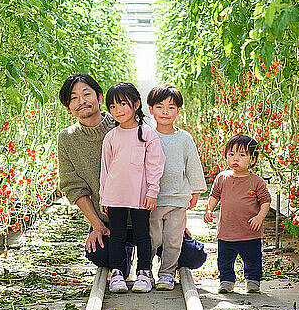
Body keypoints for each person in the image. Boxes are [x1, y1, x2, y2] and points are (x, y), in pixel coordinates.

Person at [57, 74, 206, 282]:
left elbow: (159, 166)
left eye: (86, 94)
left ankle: (148, 265)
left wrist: (173, 215)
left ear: (99, 97)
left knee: (193, 255)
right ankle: (125, 259)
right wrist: (97, 226)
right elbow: (73, 187)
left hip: (148, 215)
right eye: (73, 98)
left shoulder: (127, 122)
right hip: (111, 220)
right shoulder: (68, 139)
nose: (81, 101)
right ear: (68, 107)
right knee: (98, 253)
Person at [100, 82, 165, 293]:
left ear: (136, 104)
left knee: (141, 234)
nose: (118, 110)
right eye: (112, 106)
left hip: (140, 195)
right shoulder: (111, 137)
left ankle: (144, 272)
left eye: (122, 104)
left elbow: (156, 165)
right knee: (117, 235)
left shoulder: (147, 134)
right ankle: (117, 273)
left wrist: (152, 191)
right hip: (115, 195)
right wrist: (103, 196)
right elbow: (106, 168)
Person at [147, 83, 207, 291]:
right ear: (150, 109)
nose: (165, 112)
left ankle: (166, 273)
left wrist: (196, 191)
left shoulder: (184, 138)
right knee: (152, 238)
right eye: (160, 107)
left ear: (178, 111)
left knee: (173, 240)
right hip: (153, 199)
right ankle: (145, 271)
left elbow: (193, 164)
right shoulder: (147, 136)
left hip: (177, 199)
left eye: (171, 107)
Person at [203, 134, 271, 294]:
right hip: (227, 231)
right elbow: (215, 195)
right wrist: (209, 209)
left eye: (242, 155)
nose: (235, 158)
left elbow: (265, 201)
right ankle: (226, 281)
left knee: (253, 259)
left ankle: (253, 281)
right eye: (231, 154)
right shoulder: (222, 178)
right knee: (225, 259)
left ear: (252, 160)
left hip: (250, 232)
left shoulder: (256, 181)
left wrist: (260, 217)